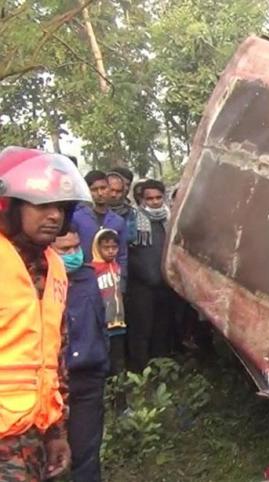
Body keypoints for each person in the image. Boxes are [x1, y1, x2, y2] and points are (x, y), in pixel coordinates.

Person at [0, 146, 92, 480]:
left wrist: (56, 432)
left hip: (34, 432)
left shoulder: (53, 266)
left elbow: (55, 358)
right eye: (41, 205)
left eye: (60, 207)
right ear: (10, 206)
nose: (53, 215)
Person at [51, 227, 109, 482]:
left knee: (86, 453)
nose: (73, 254)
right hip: (50, 384)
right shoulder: (37, 281)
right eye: (65, 250)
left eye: (76, 247)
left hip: (88, 376)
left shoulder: (88, 277)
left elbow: (101, 322)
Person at [127, 179, 175, 372]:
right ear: (142, 199)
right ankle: (141, 370)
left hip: (165, 284)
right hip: (141, 285)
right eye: (150, 198)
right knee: (142, 328)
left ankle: (161, 367)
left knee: (162, 327)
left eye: (158, 197)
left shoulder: (170, 219)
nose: (155, 202)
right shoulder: (134, 221)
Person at [72, 170, 128, 291]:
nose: (100, 193)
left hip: (110, 280)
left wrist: (121, 281)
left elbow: (122, 255)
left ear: (109, 188)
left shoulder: (118, 221)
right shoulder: (76, 218)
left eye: (103, 188)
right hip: (83, 280)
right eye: (94, 189)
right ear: (87, 191)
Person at [91, 228, 127, 377]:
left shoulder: (117, 267)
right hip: (102, 324)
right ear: (97, 248)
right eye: (106, 248)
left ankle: (118, 390)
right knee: (103, 358)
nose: (111, 251)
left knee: (117, 359)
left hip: (118, 321)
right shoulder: (93, 269)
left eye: (114, 248)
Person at [106, 170, 137, 243]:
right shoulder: (92, 210)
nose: (114, 195)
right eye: (111, 190)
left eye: (118, 191)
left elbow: (130, 237)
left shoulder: (129, 212)